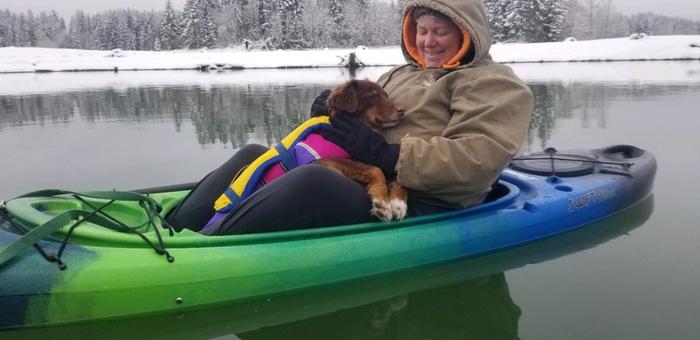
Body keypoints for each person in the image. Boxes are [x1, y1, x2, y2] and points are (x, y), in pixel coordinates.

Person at [165, 0, 533, 235]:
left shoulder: (493, 83)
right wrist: (331, 110)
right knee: (254, 155)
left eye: (440, 32)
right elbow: (363, 118)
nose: (428, 42)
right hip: (363, 175)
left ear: (467, 34)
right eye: (422, 31)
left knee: (313, 182)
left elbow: (476, 159)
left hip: (422, 197)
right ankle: (172, 228)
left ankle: (202, 251)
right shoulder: (399, 74)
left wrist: (387, 156)